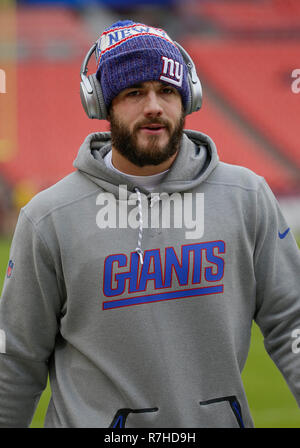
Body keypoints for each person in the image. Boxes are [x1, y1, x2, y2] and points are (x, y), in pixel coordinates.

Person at [0, 19, 300, 429]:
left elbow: (292, 321)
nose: (154, 105)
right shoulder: (49, 218)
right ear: (102, 104)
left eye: (166, 90)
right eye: (134, 92)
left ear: (188, 97)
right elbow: (15, 357)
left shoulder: (246, 197)